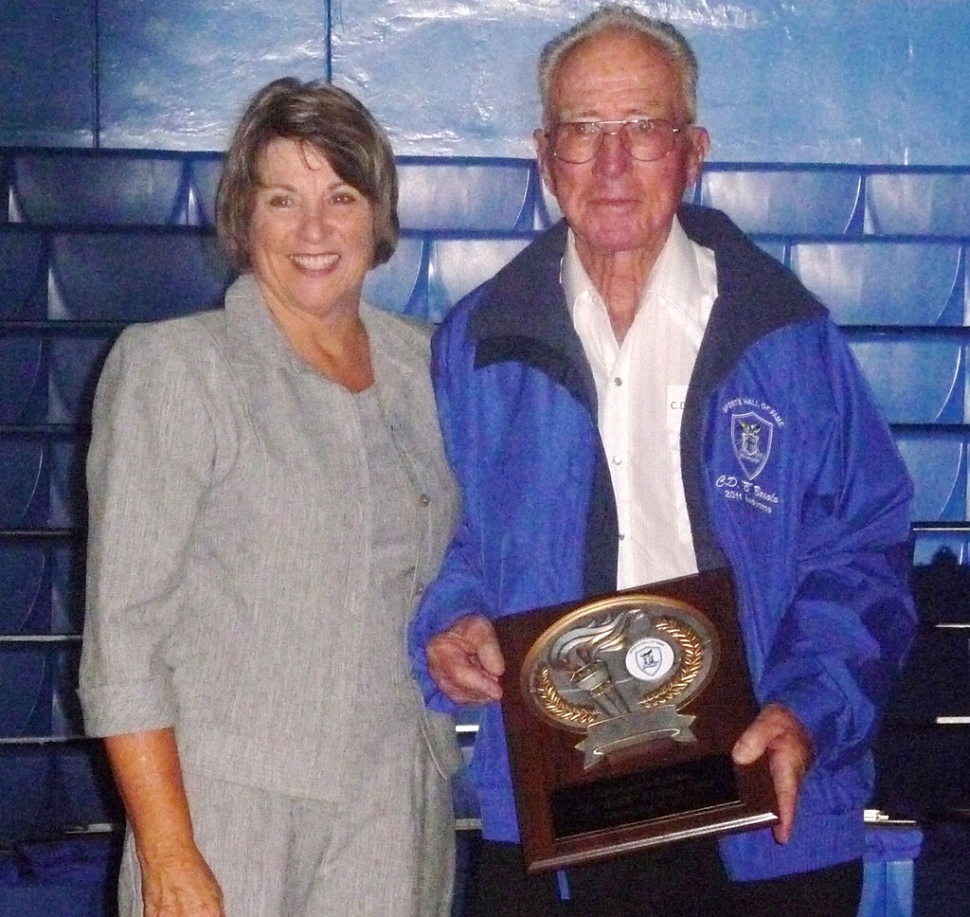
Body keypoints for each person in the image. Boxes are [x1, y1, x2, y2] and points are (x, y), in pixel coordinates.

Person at [408, 6, 916, 917]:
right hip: (559, 816)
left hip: (765, 810)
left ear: (693, 149)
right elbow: (445, 542)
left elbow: (862, 555)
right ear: (544, 153)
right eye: (582, 131)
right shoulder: (477, 344)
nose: (610, 164)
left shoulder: (785, 335)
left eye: (641, 129)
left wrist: (807, 710)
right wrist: (453, 622)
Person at [79, 77, 460, 917]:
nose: (315, 229)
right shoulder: (176, 368)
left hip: (397, 802)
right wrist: (169, 852)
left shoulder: (432, 370)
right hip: (224, 806)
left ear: (378, 215)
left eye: (341, 195)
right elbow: (125, 634)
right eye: (282, 198)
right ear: (244, 219)